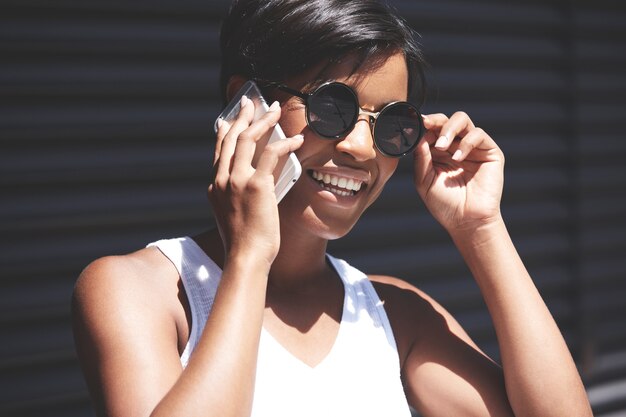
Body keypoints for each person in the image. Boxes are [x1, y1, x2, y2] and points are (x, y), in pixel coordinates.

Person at [71, 0, 593, 416]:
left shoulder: (396, 315)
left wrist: (481, 228)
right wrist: (250, 255)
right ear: (245, 104)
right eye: (332, 107)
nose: (363, 148)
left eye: (392, 124)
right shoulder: (139, 291)